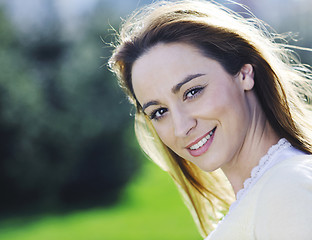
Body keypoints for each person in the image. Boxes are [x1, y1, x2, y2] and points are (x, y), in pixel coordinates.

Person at [108, 0, 312, 239]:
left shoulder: (287, 188)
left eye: (192, 92)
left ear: (244, 74)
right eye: (159, 112)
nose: (182, 127)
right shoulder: (265, 194)